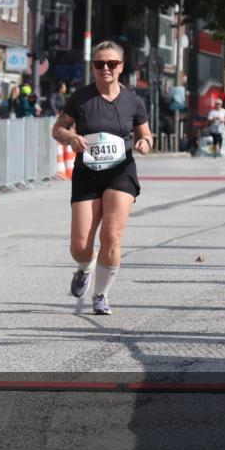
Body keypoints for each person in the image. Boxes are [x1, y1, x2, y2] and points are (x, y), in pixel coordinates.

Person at [51, 40, 152, 315]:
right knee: (80, 246)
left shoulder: (133, 100)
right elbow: (57, 129)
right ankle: (85, 266)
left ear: (121, 67)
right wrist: (71, 136)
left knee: (111, 235)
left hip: (121, 171)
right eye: (99, 64)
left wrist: (144, 143)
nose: (105, 68)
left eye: (111, 64)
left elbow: (146, 134)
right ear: (93, 67)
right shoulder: (81, 98)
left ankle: (101, 295)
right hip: (87, 173)